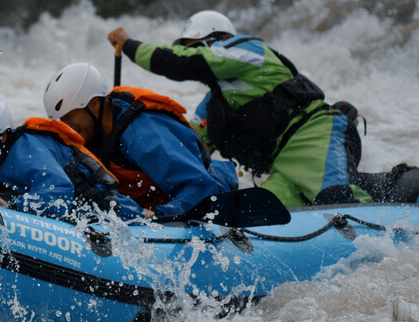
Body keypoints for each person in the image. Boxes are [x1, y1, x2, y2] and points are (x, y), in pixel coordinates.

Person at [105, 10, 419, 207]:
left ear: (216, 41)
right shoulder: (215, 103)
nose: (187, 51)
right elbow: (186, 141)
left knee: (335, 202)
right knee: (263, 213)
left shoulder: (247, 51)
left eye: (190, 45)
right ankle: (393, 186)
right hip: (283, 165)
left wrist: (129, 45)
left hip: (315, 136)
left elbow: (184, 62)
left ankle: (403, 191)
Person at [43, 62, 238, 217]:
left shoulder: (142, 134)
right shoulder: (91, 132)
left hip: (207, 200)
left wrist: (159, 215)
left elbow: (200, 187)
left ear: (94, 105)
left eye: (69, 117)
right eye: (61, 120)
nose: (66, 126)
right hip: (155, 205)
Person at [0, 93, 151, 220]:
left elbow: (59, 195)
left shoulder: (24, 152)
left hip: (108, 209)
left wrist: (9, 202)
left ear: (1, 135)